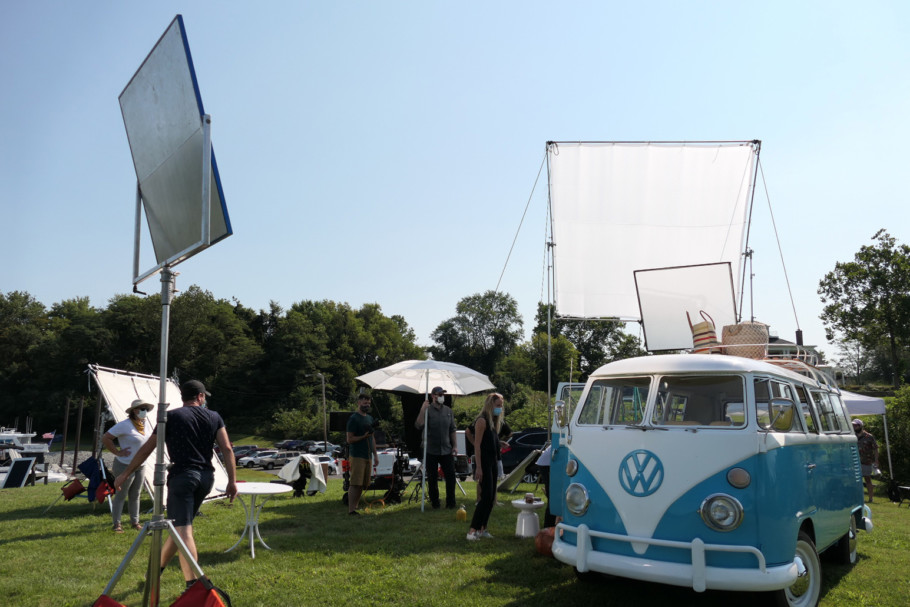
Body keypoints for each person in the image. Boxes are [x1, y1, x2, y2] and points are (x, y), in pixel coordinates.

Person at [114, 380, 237, 592]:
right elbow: (226, 448)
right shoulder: (215, 417)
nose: (205, 399)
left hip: (182, 478)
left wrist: (125, 473)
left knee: (183, 530)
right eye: (204, 396)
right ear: (199, 397)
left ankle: (193, 585)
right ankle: (154, 573)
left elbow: (146, 450)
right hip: (206, 478)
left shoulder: (170, 417)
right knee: (178, 526)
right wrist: (233, 481)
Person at [103, 399, 155, 533]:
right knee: (121, 494)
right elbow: (106, 438)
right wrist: (117, 451)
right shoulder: (124, 425)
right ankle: (117, 524)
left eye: (146, 409)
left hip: (141, 465)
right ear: (134, 410)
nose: (145, 411)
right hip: (124, 465)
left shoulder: (146, 424)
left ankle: (135, 522)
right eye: (142, 408)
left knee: (135, 494)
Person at [467, 393, 504, 540]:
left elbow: (489, 442)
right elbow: (477, 446)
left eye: (501, 406)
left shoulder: (493, 422)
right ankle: (472, 530)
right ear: (490, 405)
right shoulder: (481, 421)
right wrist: (479, 468)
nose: (500, 409)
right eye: (498, 406)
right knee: (485, 497)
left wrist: (499, 444)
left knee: (491, 498)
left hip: (493, 461)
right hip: (485, 462)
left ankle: (483, 528)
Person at [415, 386, 457, 509]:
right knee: (432, 477)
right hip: (430, 449)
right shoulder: (428, 410)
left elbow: (452, 429)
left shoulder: (448, 411)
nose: (441, 397)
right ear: (433, 396)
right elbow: (418, 425)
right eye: (439, 394)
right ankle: (435, 502)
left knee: (451, 476)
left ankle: (451, 502)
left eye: (443, 394)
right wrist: (423, 409)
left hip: (446, 448)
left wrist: (454, 446)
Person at [346, 393, 379, 514]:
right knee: (355, 483)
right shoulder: (353, 419)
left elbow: (372, 438)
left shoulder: (370, 418)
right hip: (357, 455)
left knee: (362, 484)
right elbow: (349, 439)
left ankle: (355, 507)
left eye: (369, 403)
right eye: (365, 403)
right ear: (359, 403)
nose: (367, 405)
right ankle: (351, 510)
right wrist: (363, 436)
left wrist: (375, 455)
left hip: (367, 455)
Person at [853, 418, 880, 503]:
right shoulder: (852, 436)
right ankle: (857, 498)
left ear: (860, 426)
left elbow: (875, 449)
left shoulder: (869, 436)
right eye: (853, 425)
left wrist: (876, 460)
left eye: (856, 425)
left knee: (867, 479)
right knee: (856, 480)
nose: (854, 427)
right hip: (854, 461)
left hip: (866, 461)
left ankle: (871, 498)